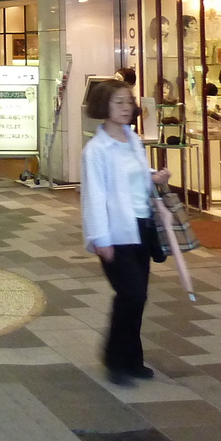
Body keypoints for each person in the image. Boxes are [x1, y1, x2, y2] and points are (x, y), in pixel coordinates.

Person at [80, 79, 169, 386]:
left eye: (128, 102)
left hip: (141, 228)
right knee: (130, 294)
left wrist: (153, 176)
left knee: (138, 297)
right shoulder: (96, 149)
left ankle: (131, 358)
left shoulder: (132, 138)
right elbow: (94, 196)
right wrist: (100, 240)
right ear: (103, 106)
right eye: (118, 102)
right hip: (116, 233)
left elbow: (134, 176)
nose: (126, 108)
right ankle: (114, 357)